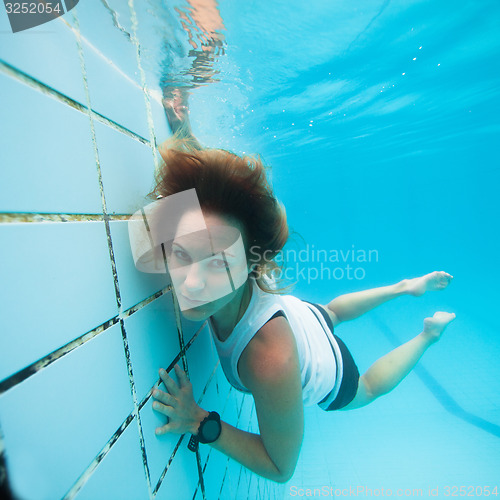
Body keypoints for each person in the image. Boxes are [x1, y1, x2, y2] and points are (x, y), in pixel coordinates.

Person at [147, 92, 456, 484]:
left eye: (218, 263)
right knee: (333, 313)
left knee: (369, 388)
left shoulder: (269, 360)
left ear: (251, 264)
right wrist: (182, 128)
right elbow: (211, 192)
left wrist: (199, 421)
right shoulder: (245, 254)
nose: (189, 282)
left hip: (327, 365)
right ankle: (405, 287)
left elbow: (281, 468)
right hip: (302, 316)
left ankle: (428, 335)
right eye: (181, 252)